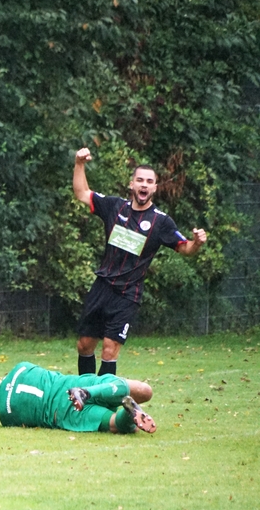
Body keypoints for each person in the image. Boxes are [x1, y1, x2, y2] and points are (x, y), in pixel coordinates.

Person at [73, 148, 208, 377]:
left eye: (149, 182)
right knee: (84, 345)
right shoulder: (115, 206)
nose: (144, 185)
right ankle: (84, 392)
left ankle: (103, 395)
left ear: (155, 188)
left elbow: (185, 248)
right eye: (140, 180)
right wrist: (79, 163)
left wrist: (197, 243)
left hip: (127, 294)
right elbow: (82, 193)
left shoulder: (161, 222)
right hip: (102, 286)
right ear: (132, 184)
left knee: (109, 349)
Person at [0, 361, 157, 434]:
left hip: (64, 412)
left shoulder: (5, 415)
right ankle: (93, 392)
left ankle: (128, 413)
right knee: (145, 390)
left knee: (116, 424)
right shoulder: (21, 366)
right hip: (72, 384)